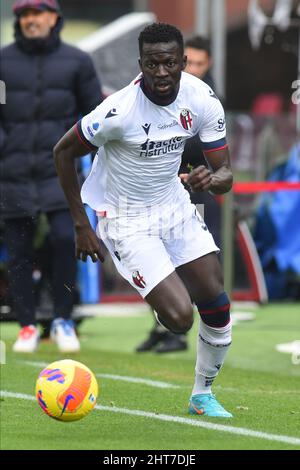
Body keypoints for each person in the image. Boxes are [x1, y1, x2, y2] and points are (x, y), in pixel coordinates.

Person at [54, 23, 233, 418]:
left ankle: (202, 396)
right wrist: (81, 224)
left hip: (174, 206)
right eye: (153, 64)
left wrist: (210, 178)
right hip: (125, 218)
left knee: (217, 303)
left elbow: (226, 176)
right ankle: (158, 294)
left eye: (170, 63)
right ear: (141, 64)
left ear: (183, 63)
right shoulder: (118, 111)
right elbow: (63, 152)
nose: (162, 72)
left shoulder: (201, 99)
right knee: (180, 319)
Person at [0, 0, 103, 353]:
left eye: (37, 13)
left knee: (65, 241)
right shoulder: (2, 62)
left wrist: (79, 152)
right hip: (11, 172)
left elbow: (95, 115)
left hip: (59, 173)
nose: (31, 20)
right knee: (18, 252)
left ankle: (63, 319)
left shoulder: (77, 61)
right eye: (24, 15)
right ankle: (26, 325)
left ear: (54, 18)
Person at [136, 36, 222, 353]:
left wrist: (195, 172)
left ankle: (181, 334)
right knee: (154, 261)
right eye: (191, 62)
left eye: (201, 63)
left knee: (186, 263)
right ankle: (161, 326)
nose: (195, 69)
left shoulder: (207, 99)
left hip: (195, 194)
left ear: (207, 64)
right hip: (157, 193)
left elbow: (214, 156)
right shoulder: (156, 94)